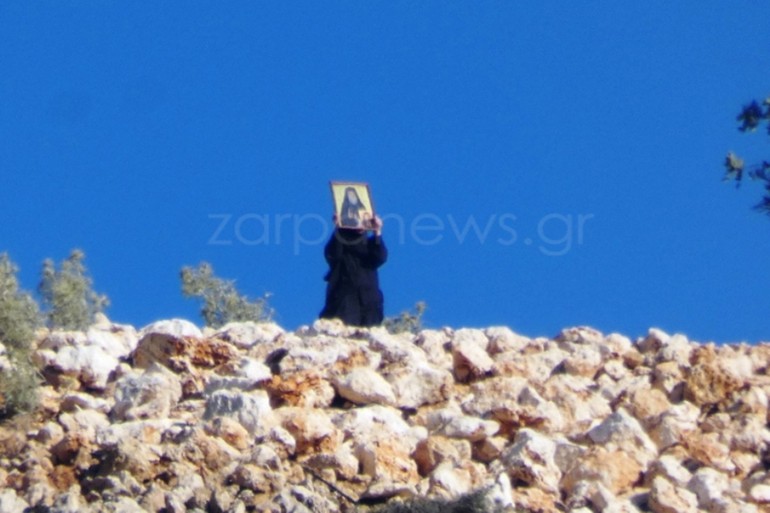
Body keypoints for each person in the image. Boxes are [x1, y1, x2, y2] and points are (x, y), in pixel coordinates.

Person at [319, 214, 386, 327]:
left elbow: (380, 257)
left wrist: (377, 231)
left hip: (369, 301)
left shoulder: (370, 244)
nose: (360, 224)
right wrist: (339, 227)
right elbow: (333, 255)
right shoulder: (340, 242)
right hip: (345, 299)